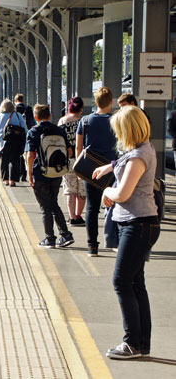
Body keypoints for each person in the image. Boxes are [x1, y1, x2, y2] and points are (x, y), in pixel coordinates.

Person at [93, 106, 160, 359]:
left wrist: (106, 192)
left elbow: (122, 194)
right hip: (139, 223)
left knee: (121, 281)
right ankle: (141, 344)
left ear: (127, 129)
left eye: (119, 129)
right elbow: (121, 162)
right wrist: (109, 168)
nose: (117, 134)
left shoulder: (138, 156)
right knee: (136, 283)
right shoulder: (141, 149)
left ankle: (132, 343)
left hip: (138, 224)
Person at [76, 87, 117, 257]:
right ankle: (117, 241)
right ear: (111, 102)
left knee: (92, 208)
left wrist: (79, 168)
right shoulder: (117, 121)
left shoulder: (85, 121)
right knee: (116, 205)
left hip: (91, 170)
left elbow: (79, 147)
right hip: (113, 169)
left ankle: (92, 246)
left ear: (96, 102)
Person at [27, 104, 74, 249]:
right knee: (53, 203)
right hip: (57, 172)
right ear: (49, 116)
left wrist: (29, 173)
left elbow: (30, 155)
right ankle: (65, 235)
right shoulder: (59, 130)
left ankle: (50, 238)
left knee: (45, 207)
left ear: (36, 117)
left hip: (40, 173)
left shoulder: (33, 131)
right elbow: (70, 152)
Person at [58, 96, 85, 226]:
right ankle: (79, 215)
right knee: (82, 189)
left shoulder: (62, 121)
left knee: (70, 188)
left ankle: (72, 217)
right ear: (81, 109)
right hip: (82, 159)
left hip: (67, 159)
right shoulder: (84, 121)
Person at [0, 98, 27, 186]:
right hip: (16, 141)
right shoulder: (18, 115)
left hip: (3, 142)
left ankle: (6, 180)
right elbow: (25, 129)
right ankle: (12, 181)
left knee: (4, 161)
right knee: (15, 161)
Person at [14, 93, 35, 181]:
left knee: (17, 153)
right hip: (27, 133)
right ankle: (24, 174)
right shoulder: (28, 108)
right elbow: (33, 121)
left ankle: (18, 173)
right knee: (26, 153)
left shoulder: (14, 109)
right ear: (23, 100)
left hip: (17, 134)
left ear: (15, 100)